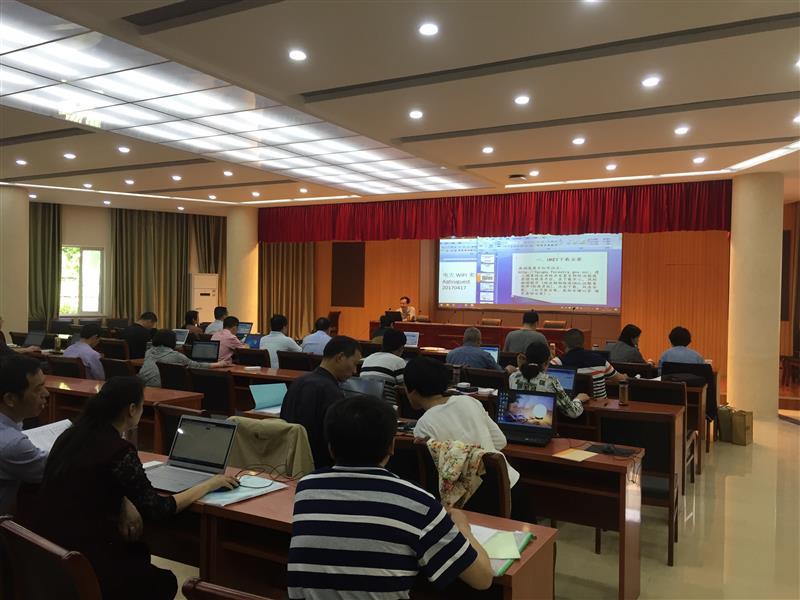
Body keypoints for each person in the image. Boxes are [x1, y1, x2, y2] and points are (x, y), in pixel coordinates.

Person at [30, 377, 238, 600]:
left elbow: (93, 480)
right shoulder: (119, 450)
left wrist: (124, 499)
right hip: (88, 563)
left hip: (50, 554)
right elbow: (157, 509)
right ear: (131, 409)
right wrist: (208, 484)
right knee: (165, 581)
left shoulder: (70, 436)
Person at [288, 395, 493, 599]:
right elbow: (483, 579)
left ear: (330, 448)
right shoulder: (417, 502)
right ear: (391, 446)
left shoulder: (306, 489)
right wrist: (462, 527)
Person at [407, 357, 519, 488]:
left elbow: (439, 475)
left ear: (413, 391)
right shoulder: (469, 401)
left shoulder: (423, 426)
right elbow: (500, 441)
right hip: (508, 481)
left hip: (471, 494)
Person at [280, 336, 361, 468]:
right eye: (354, 364)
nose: (355, 371)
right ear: (340, 357)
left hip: (287, 460)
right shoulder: (331, 391)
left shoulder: (299, 381)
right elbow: (336, 440)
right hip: (318, 465)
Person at [0, 355, 49, 514]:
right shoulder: (12, 444)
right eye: (38, 389)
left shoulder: (9, 420)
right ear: (10, 398)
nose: (46, 393)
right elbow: (54, 469)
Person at [510, 340, 588, 418]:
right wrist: (578, 399)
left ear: (526, 359)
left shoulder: (513, 377)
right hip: (542, 423)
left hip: (518, 421)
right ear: (546, 362)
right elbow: (572, 412)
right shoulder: (550, 382)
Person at [550, 329, 626, 399]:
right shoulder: (601, 361)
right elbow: (621, 380)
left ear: (564, 344)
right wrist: (625, 376)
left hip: (571, 408)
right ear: (584, 343)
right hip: (600, 407)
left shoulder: (556, 363)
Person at [138, 329, 229, 387]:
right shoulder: (175, 356)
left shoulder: (148, 352)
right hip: (160, 386)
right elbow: (197, 366)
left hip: (142, 384)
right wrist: (218, 364)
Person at [360, 328, 407, 404]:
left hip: (364, 404)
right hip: (387, 407)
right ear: (401, 348)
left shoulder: (368, 358)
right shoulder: (398, 361)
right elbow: (405, 389)